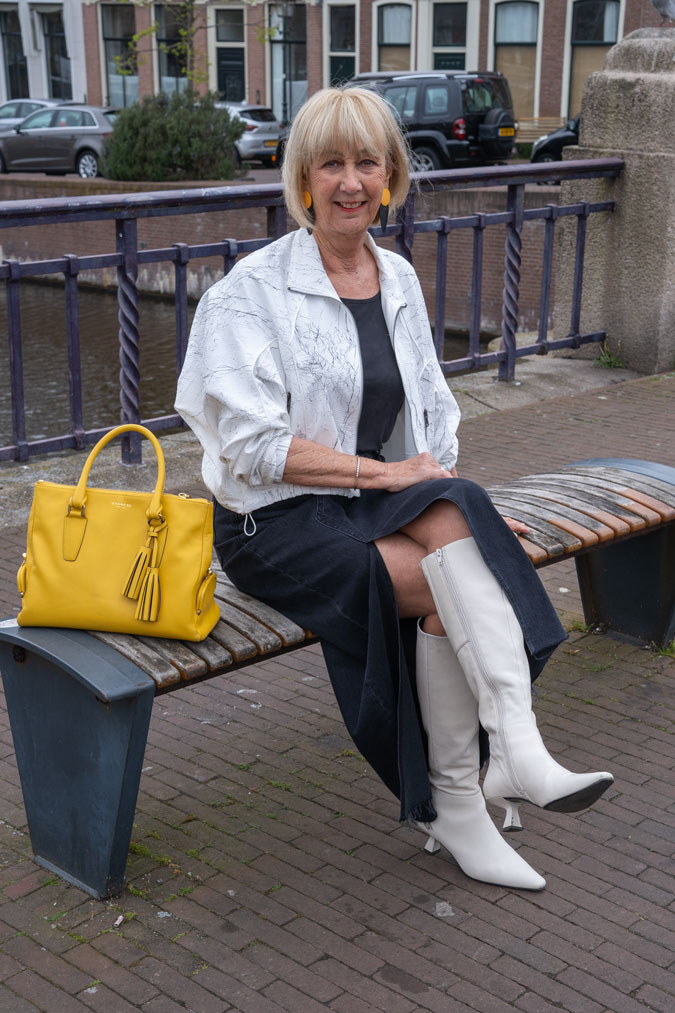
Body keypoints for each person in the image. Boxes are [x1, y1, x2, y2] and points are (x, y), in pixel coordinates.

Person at [175, 87, 613, 891]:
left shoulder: (398, 277)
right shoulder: (253, 289)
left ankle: (500, 762)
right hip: (270, 521)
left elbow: (430, 413)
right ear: (301, 178)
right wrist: (389, 477)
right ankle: (468, 792)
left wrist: (443, 512)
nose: (350, 181)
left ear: (391, 175)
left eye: (366, 162)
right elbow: (249, 443)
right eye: (330, 163)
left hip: (371, 498)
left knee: (462, 526)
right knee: (456, 579)